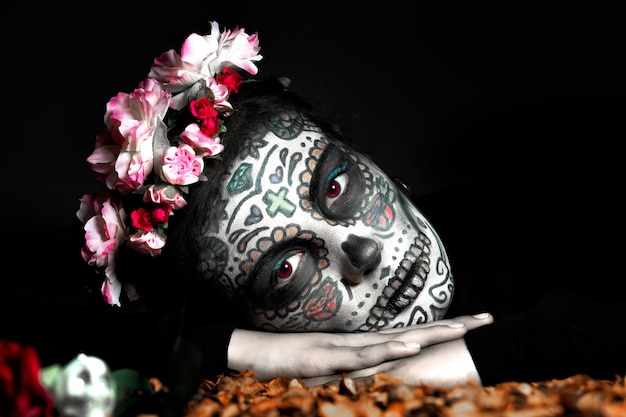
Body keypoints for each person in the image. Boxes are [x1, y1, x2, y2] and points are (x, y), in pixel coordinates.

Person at [3, 19, 625, 415]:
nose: (360, 251)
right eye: (288, 269)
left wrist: (484, 358)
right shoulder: (256, 345)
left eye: (337, 184)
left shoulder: (561, 206)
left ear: (372, 162)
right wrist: (241, 351)